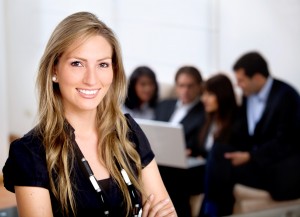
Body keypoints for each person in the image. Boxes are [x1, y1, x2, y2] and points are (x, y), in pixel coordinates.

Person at [2, 11, 177, 217]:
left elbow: (167, 213)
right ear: (54, 70)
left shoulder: (128, 132)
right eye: (77, 63)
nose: (92, 80)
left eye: (102, 64)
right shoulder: (31, 153)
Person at [200, 51, 300, 216]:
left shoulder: (287, 96)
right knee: (219, 155)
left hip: (279, 169)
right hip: (258, 164)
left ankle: (211, 212)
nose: (238, 85)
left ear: (257, 77)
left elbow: (286, 142)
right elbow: (245, 135)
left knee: (219, 168)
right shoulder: (248, 97)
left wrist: (251, 156)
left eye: (241, 80)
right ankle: (214, 211)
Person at [154, 65, 205, 217]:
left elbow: (201, 145)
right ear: (176, 86)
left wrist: (188, 151)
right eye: (182, 86)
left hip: (186, 166)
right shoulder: (164, 105)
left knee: (168, 176)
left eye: (190, 86)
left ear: (199, 87)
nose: (185, 91)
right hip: (158, 159)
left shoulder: (204, 112)